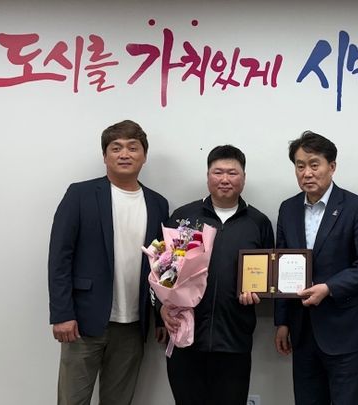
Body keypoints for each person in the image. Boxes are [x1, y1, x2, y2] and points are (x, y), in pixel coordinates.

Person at [48, 119, 169, 405]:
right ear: (105, 156)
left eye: (132, 147)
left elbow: (161, 265)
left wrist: (159, 315)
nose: (124, 154)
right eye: (116, 148)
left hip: (133, 325)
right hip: (83, 321)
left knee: (119, 400)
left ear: (144, 156)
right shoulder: (80, 194)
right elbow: (60, 257)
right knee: (72, 400)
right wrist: (62, 313)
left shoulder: (158, 203)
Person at [273, 131, 358, 405]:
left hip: (347, 331)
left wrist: (329, 288)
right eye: (300, 166)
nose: (307, 173)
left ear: (331, 166)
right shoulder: (288, 209)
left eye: (314, 164)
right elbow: (281, 265)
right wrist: (282, 322)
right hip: (302, 331)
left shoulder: (356, 207)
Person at [161, 145, 274, 405]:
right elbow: (161, 270)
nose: (225, 179)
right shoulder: (183, 217)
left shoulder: (258, 223)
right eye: (218, 172)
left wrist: (258, 292)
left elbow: (268, 277)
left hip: (234, 340)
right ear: (207, 176)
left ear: (243, 178)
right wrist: (161, 309)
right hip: (185, 336)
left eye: (232, 173)